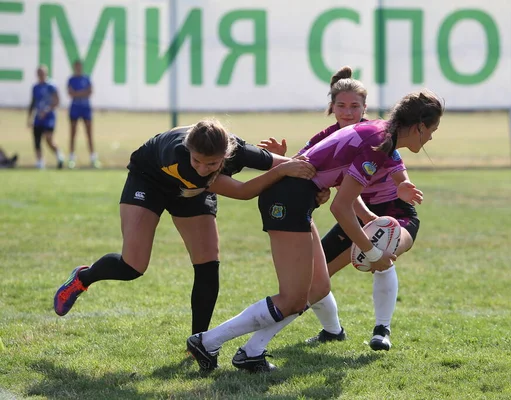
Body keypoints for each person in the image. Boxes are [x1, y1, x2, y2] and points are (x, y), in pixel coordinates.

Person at [187, 89, 444, 373]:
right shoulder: (379, 142)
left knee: (318, 288)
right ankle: (208, 341)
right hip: (288, 199)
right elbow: (341, 208)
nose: (432, 137)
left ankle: (250, 352)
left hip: (296, 198)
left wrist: (372, 215)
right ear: (420, 126)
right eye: (433, 129)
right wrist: (372, 252)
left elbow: (340, 185)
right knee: (293, 298)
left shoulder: (380, 132)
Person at [53, 119, 315, 339]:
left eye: (211, 164)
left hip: (192, 192)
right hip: (150, 181)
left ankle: (197, 343)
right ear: (189, 150)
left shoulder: (239, 151)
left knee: (207, 264)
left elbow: (296, 165)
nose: (202, 168)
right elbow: (244, 191)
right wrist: (283, 170)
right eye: (197, 160)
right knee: (133, 266)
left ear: (225, 155)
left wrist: (301, 174)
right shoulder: (181, 159)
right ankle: (82, 278)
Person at [258, 66, 424, 352]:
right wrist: (282, 158)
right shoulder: (327, 136)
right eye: (341, 106)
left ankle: (381, 329)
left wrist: (405, 186)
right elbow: (304, 167)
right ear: (332, 107)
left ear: (365, 108)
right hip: (353, 213)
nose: (348, 113)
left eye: (355, 106)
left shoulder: (378, 135)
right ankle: (332, 331)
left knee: (383, 253)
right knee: (313, 278)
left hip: (391, 211)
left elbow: (400, 174)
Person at [27, 65, 64, 169]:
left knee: (48, 138)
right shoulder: (35, 87)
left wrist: (47, 110)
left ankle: (59, 154)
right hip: (38, 117)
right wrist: (29, 118)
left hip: (49, 117)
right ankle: (40, 162)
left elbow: (57, 101)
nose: (40, 75)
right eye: (39, 73)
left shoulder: (51, 86)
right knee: (37, 140)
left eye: (42, 73)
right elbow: (32, 103)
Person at [67, 60, 99, 169]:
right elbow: (71, 93)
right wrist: (82, 93)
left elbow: (89, 92)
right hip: (75, 108)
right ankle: (71, 158)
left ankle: (93, 158)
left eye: (79, 66)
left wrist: (78, 93)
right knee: (73, 134)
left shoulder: (86, 78)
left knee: (89, 134)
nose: (78, 68)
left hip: (85, 109)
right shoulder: (71, 79)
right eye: (76, 66)